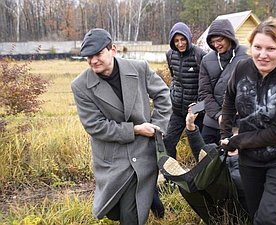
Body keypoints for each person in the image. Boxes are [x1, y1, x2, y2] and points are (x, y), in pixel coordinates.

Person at [71, 28, 172, 225]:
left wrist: (157, 127)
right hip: (112, 157)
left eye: (98, 54)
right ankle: (151, 197)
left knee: (130, 215)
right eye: (88, 57)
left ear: (113, 49)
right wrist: (135, 129)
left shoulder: (139, 68)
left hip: (143, 150)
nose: (93, 61)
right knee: (113, 210)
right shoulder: (80, 85)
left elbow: (163, 96)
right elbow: (95, 126)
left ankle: (148, 197)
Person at [219, 17, 276, 225]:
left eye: (271, 49)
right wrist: (225, 134)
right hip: (252, 159)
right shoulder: (242, 68)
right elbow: (229, 100)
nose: (262, 55)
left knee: (267, 219)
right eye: (257, 47)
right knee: (256, 214)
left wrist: (237, 141)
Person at [198, 19, 249, 145]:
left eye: (219, 40)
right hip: (212, 121)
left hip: (239, 122)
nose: (216, 45)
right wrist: (219, 115)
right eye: (212, 41)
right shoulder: (206, 60)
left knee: (234, 162)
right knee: (207, 160)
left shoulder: (248, 55)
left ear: (229, 37)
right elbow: (204, 93)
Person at [164, 22, 206, 161]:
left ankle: (202, 177)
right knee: (168, 141)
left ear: (188, 38)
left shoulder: (200, 55)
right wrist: (173, 95)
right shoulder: (170, 54)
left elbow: (208, 87)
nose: (180, 44)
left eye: (183, 40)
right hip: (177, 110)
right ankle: (173, 174)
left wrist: (199, 107)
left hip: (196, 113)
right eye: (176, 41)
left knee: (200, 149)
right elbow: (174, 78)